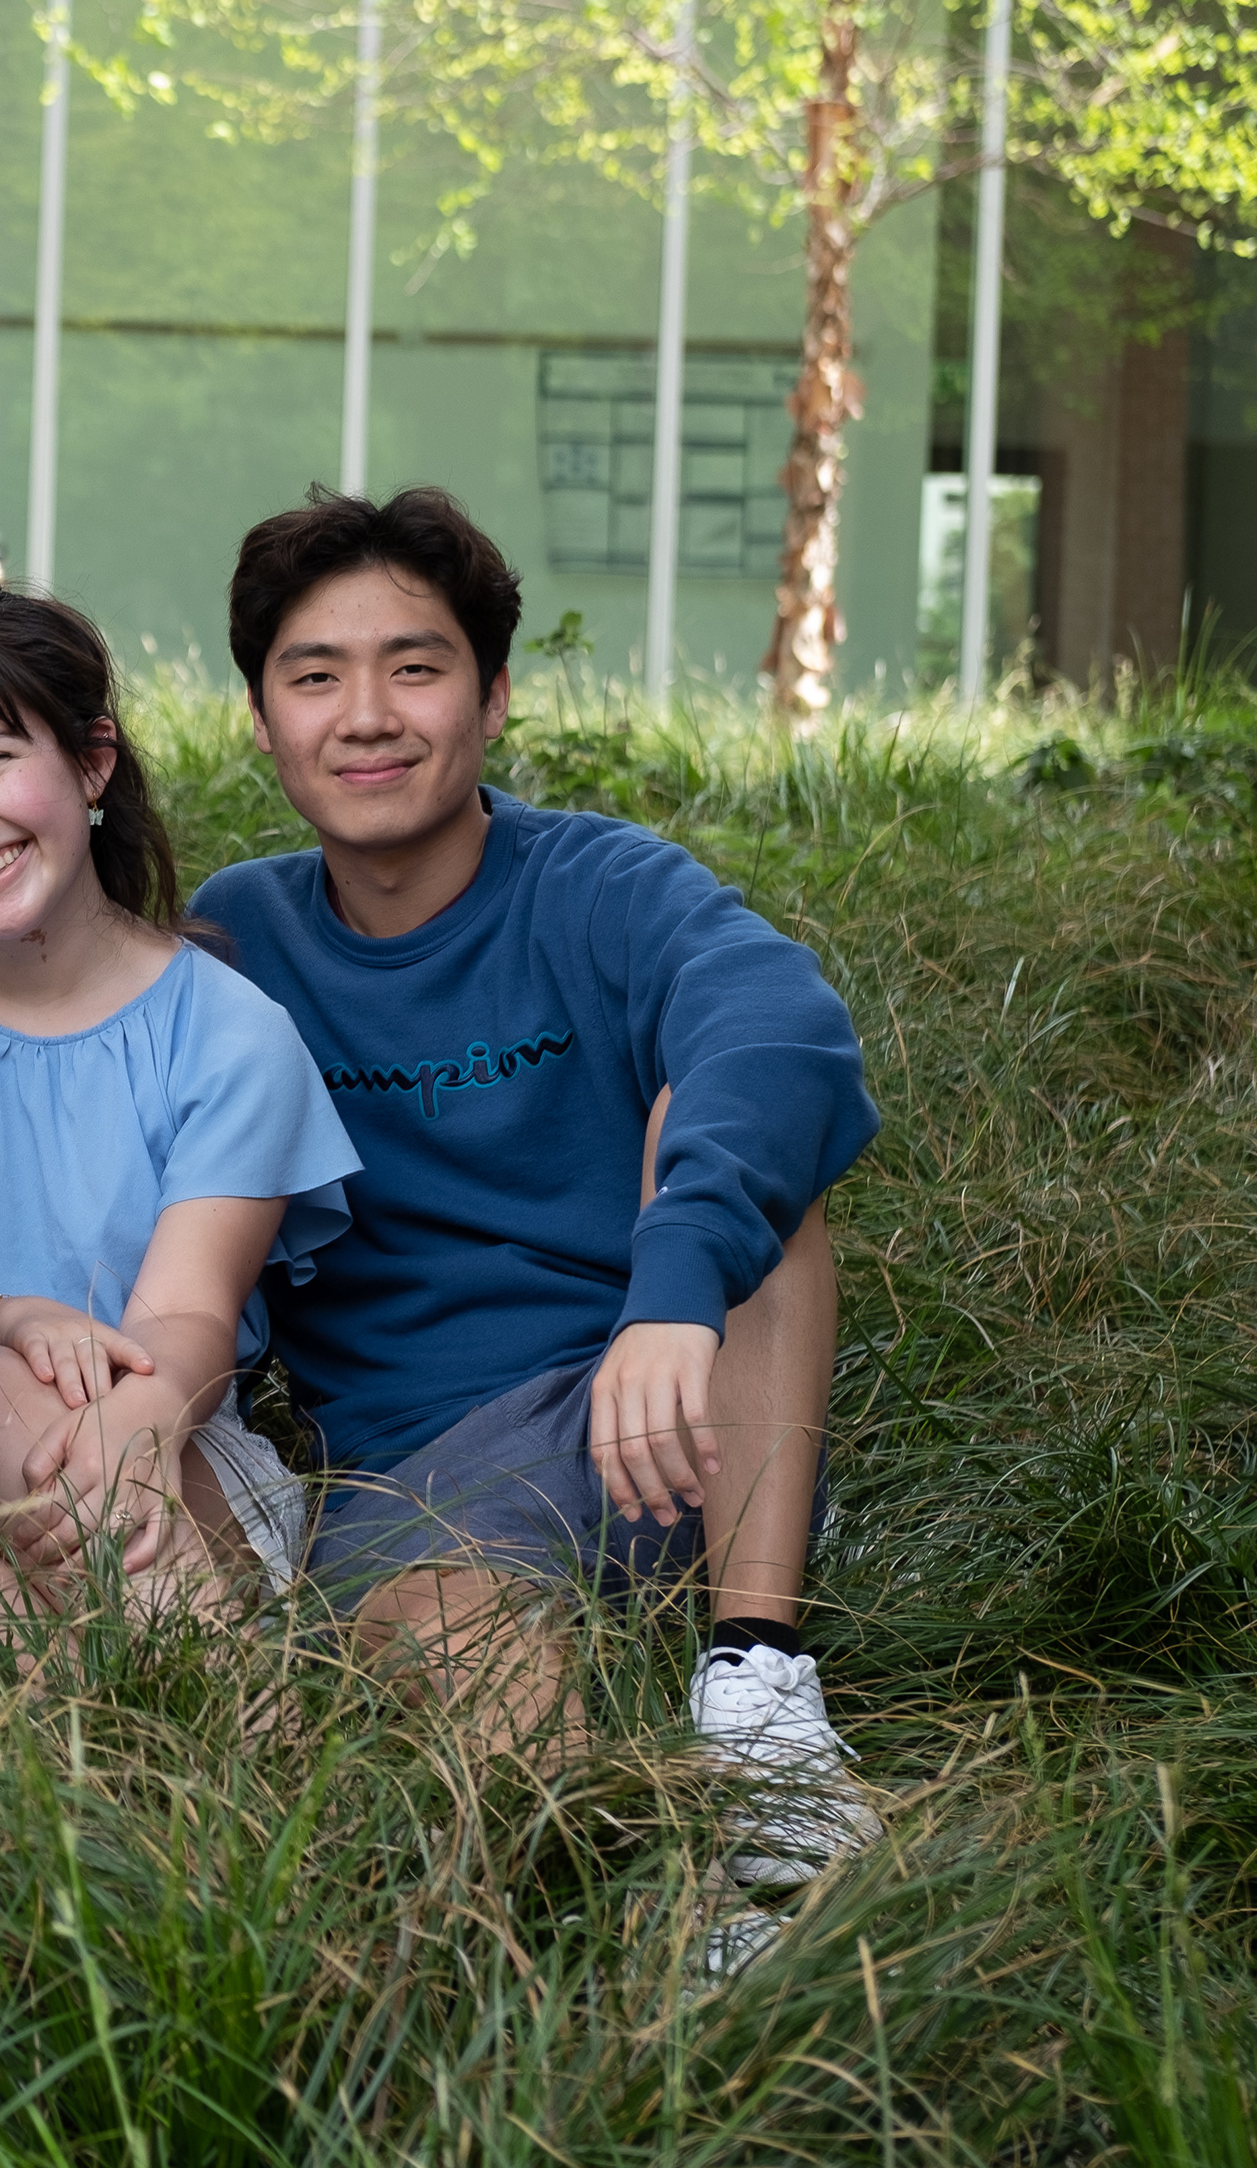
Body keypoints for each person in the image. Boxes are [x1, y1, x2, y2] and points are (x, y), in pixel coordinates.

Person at [187, 487, 883, 1888]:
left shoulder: (602, 884)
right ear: (261, 719)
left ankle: (756, 1684)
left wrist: (672, 1290)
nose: (366, 716)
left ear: (493, 697)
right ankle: (670, 1906)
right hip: (427, 1475)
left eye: (415, 667)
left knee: (739, 1140)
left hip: (677, 1414)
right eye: (315, 677)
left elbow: (781, 1029)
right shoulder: (236, 937)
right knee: (455, 1643)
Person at [0, 588, 361, 1628]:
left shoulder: (228, 1034)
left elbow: (187, 1316)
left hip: (162, 1434)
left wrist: (138, 1420)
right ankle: (172, 1679)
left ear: (93, 763)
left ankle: (170, 1655)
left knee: (10, 1487)